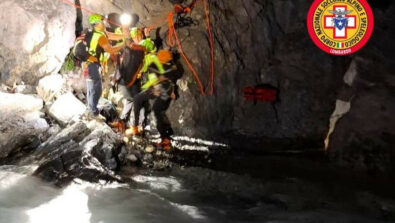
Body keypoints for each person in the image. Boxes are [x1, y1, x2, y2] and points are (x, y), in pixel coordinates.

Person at [126, 50, 176, 150]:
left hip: (162, 90)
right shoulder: (167, 66)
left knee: (154, 110)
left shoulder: (162, 66)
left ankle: (164, 138)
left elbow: (160, 79)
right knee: (142, 101)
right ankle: (136, 127)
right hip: (161, 89)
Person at [85, 14, 125, 120]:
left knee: (91, 87)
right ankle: (93, 112)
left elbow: (110, 35)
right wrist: (123, 44)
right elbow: (110, 50)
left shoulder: (96, 33)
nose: (104, 23)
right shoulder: (100, 36)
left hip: (88, 63)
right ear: (97, 23)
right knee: (96, 88)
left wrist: (123, 36)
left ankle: (90, 109)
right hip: (92, 64)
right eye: (102, 22)